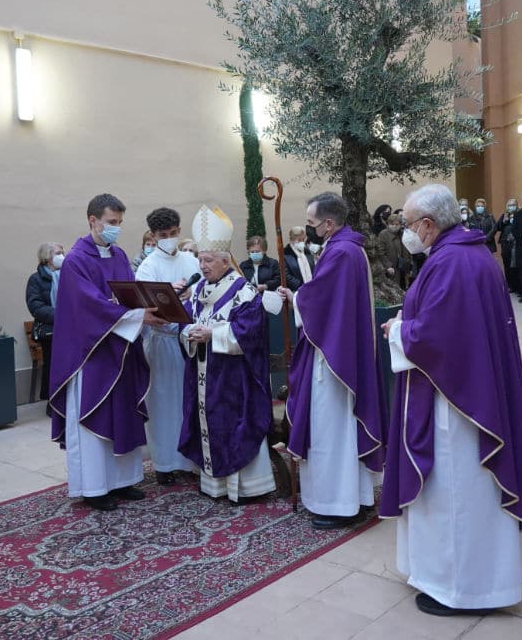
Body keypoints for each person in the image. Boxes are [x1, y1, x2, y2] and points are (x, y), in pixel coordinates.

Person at [379, 184, 522, 617]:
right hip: (470, 389)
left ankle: (460, 589)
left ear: (428, 224)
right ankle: (475, 580)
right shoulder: (468, 252)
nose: (405, 231)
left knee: (454, 492)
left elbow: (438, 337)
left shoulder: (451, 261)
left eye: (408, 223)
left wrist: (398, 330)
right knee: (467, 494)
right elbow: (447, 318)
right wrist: (410, 320)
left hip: (456, 402)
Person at [275, 192, 387, 529]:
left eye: (311, 223)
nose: (308, 228)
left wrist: (298, 298)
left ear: (328, 223)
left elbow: (322, 300)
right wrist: (301, 296)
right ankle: (356, 499)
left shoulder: (340, 252)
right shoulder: (349, 247)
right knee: (342, 430)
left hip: (333, 359)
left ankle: (338, 505)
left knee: (330, 430)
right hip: (342, 349)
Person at [48, 193, 161, 512]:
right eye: (112, 222)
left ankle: (123, 481)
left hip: (121, 348)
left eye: (120, 222)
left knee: (122, 413)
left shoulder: (120, 255)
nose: (116, 228)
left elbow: (130, 294)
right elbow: (88, 306)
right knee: (94, 416)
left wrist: (150, 305)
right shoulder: (76, 260)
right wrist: (136, 316)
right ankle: (94, 487)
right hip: (91, 353)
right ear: (93, 220)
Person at [179, 204, 280, 502]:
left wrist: (213, 334)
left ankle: (247, 488)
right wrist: (189, 332)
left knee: (234, 426)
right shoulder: (198, 290)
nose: (202, 265)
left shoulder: (243, 291)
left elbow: (251, 332)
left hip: (233, 379)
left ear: (225, 261)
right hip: (203, 373)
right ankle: (214, 485)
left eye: (208, 260)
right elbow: (183, 321)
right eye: (200, 259)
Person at [135, 207, 200, 485]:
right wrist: (167, 295)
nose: (169, 239)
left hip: (189, 340)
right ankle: (164, 464)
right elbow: (142, 306)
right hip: (161, 341)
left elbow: (204, 292)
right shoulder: (148, 267)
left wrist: (191, 293)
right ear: (153, 236)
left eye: (174, 233)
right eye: (163, 235)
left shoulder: (191, 261)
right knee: (163, 405)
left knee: (187, 402)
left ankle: (188, 460)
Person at [25, 242, 65, 402]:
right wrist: (61, 315)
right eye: (58, 253)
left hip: (70, 328)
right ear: (47, 258)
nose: (62, 256)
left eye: (62, 252)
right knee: (52, 364)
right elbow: (36, 307)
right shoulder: (36, 279)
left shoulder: (69, 276)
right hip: (51, 330)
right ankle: (52, 401)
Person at [376, 214, 408, 285]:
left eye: (397, 224)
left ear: (400, 225)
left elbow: (406, 250)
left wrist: (408, 264)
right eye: (392, 224)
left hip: (401, 266)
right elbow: (380, 252)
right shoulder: (383, 234)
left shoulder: (402, 234)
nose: (394, 226)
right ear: (388, 224)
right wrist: (388, 266)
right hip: (390, 267)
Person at [283, 226, 316, 290]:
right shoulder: (285, 254)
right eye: (299, 240)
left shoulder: (307, 252)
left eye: (303, 239)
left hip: (312, 288)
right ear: (291, 240)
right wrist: (301, 286)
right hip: (296, 290)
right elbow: (286, 275)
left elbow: (314, 268)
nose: (302, 242)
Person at [497, 199, 519, 292]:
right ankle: (509, 285)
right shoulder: (504, 215)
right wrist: (504, 221)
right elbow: (498, 227)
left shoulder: (519, 215)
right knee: (507, 264)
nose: (511, 207)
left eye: (513, 205)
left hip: (515, 243)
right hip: (505, 243)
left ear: (516, 206)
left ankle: (517, 286)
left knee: (515, 265)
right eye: (509, 205)